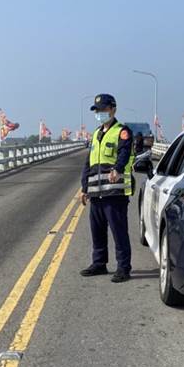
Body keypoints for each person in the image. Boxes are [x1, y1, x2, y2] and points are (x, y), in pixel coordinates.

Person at [80, 94, 134, 283]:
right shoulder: (96, 134)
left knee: (119, 231)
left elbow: (124, 153)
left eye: (103, 110)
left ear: (113, 109)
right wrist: (84, 187)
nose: (100, 113)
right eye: (97, 111)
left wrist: (118, 169)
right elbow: (89, 162)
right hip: (96, 192)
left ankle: (123, 267)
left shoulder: (122, 131)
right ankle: (99, 263)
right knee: (97, 231)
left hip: (114, 191)